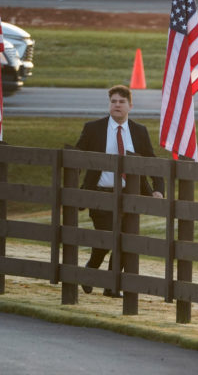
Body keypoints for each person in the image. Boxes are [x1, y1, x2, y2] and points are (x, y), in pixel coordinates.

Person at [75, 84, 163, 297]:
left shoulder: (139, 131)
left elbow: (151, 161)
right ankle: (90, 272)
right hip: (101, 193)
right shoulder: (93, 128)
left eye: (121, 102)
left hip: (130, 195)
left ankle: (111, 287)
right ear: (109, 105)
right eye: (113, 101)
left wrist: (157, 189)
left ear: (130, 106)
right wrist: (74, 188)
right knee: (105, 239)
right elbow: (76, 157)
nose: (117, 105)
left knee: (125, 241)